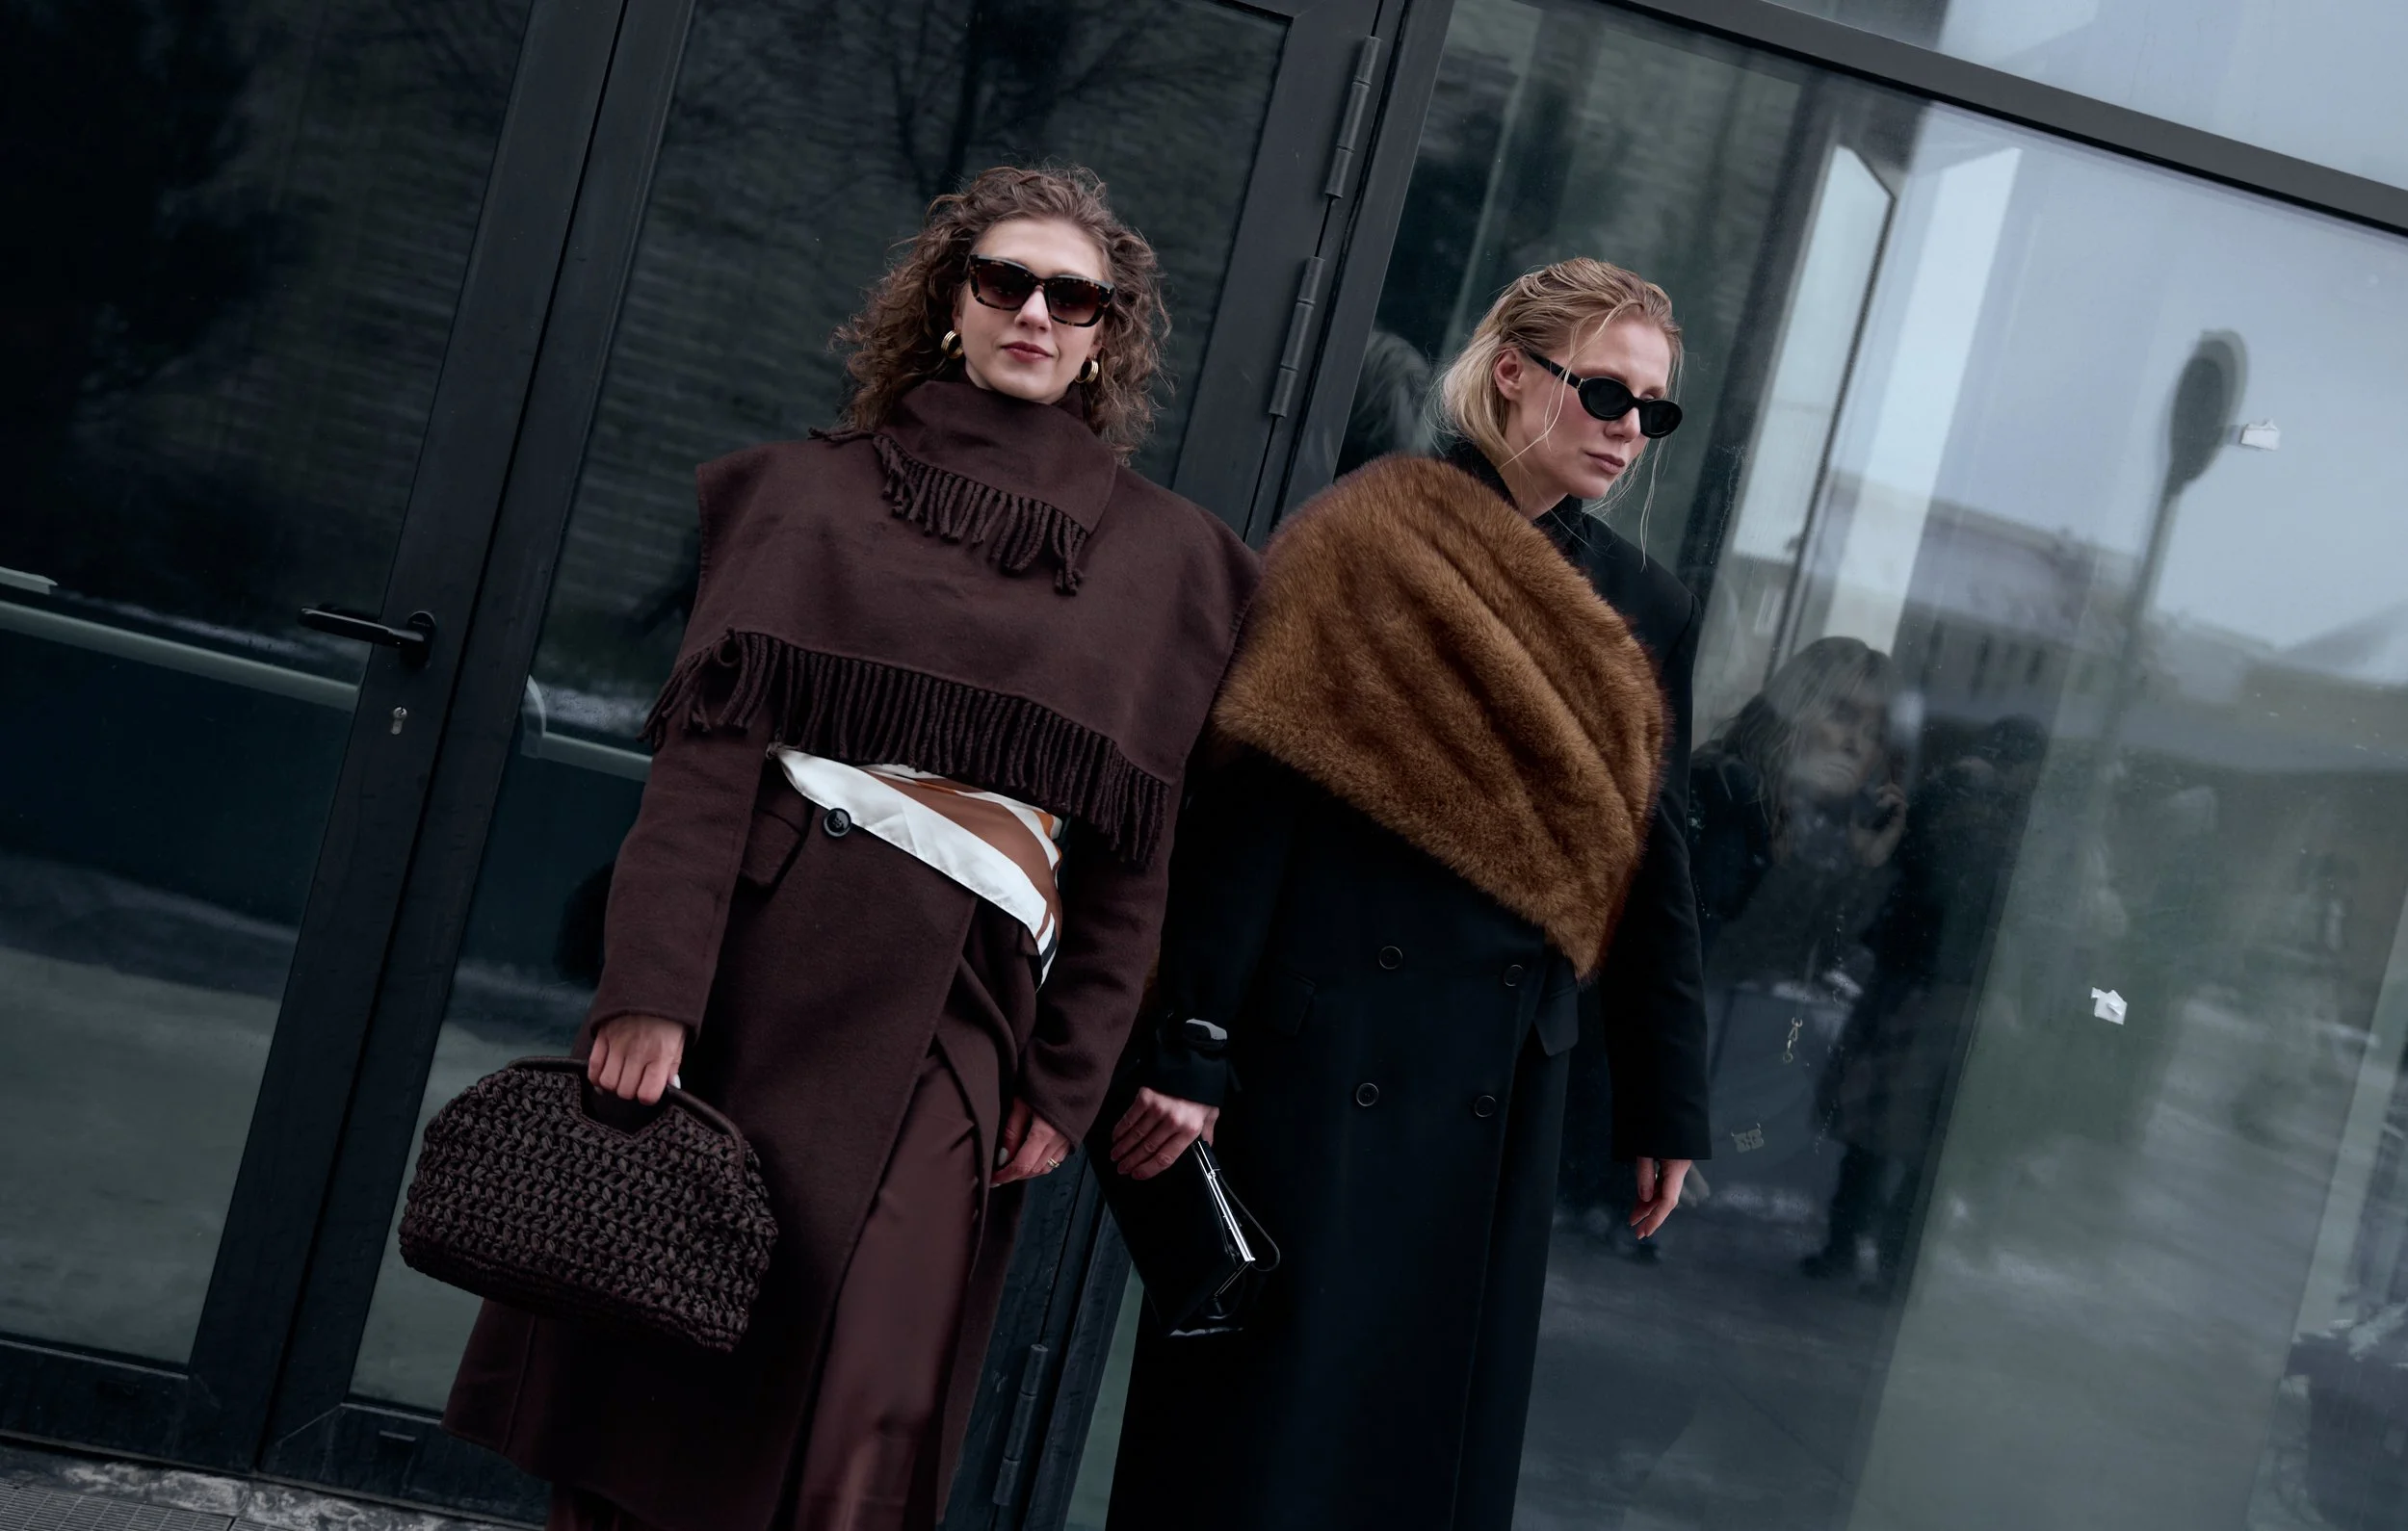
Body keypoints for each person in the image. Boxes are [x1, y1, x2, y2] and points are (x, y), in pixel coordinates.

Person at [440, 166, 1258, 1531]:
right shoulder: (807, 495)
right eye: (1004, 282)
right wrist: (648, 993)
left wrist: (1064, 1082)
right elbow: (702, 773)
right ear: (951, 303)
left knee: (871, 1385)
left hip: (963, 1013)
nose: (1037, 314)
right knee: (667, 1348)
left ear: (1108, 333)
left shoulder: (1172, 561)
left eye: (1074, 296)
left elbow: (1135, 860)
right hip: (757, 985)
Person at [1103, 258, 1711, 1531]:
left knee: (1418, 1459)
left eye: (1653, 410)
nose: (1627, 429)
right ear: (1512, 372)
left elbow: (1645, 850)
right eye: (1606, 390)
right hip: (1330, 1052)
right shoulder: (1372, 528)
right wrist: (1195, 1035)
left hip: (1499, 1077)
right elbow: (1255, 796)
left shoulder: (1645, 600)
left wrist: (1665, 1094)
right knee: (1262, 1437)